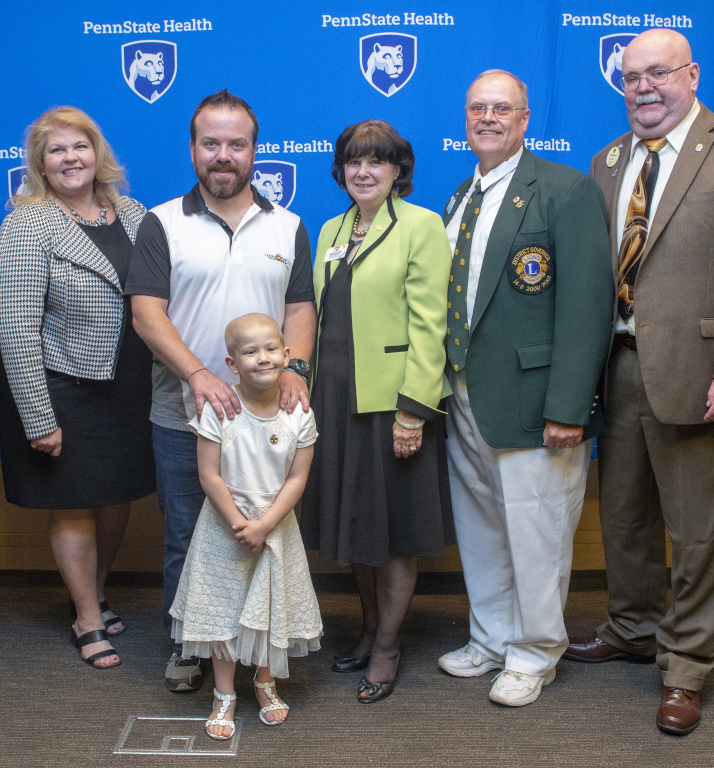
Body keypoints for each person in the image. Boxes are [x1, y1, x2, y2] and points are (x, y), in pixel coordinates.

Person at [565, 29, 714, 734]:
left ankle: (687, 663)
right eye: (630, 77)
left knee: (697, 531)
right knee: (626, 516)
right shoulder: (609, 160)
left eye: (658, 73)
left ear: (692, 75)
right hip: (620, 367)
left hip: (704, 376)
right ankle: (633, 628)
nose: (642, 87)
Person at [127, 89, 316, 692]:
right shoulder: (162, 222)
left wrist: (297, 370)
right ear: (192, 149)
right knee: (189, 533)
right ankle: (189, 649)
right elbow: (147, 314)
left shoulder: (288, 225)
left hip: (268, 418)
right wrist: (199, 374)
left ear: (255, 151)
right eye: (211, 143)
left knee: (267, 531)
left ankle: (258, 651)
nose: (223, 155)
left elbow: (301, 307)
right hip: (185, 412)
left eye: (237, 144)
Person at [436, 70, 615, 707]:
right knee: (482, 527)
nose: (487, 117)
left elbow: (588, 308)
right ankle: (490, 638)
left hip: (538, 405)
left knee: (538, 535)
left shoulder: (565, 191)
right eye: (476, 106)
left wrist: (569, 405)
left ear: (525, 118)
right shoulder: (461, 197)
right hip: (465, 397)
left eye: (501, 108)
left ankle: (536, 652)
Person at [0, 106, 155, 669]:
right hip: (63, 388)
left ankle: (98, 590)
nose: (70, 159)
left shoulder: (131, 214)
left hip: (128, 386)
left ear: (97, 152)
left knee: (115, 495)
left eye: (79, 147)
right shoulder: (26, 224)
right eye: (56, 150)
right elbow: (14, 329)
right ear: (40, 163)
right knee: (74, 504)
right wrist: (38, 417)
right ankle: (85, 616)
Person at [301, 119, 454, 703]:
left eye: (377, 162)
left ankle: (388, 647)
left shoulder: (421, 226)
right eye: (353, 162)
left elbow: (429, 325)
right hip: (337, 403)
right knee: (355, 525)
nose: (363, 172)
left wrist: (414, 411)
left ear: (398, 171)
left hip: (393, 405)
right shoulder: (331, 228)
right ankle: (367, 630)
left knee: (392, 536)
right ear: (340, 170)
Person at [170, 314, 322, 741]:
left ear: (287, 354)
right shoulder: (220, 410)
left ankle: (264, 682)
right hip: (225, 528)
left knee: (269, 611)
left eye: (271, 349)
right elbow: (209, 475)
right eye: (250, 352)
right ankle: (223, 694)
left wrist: (266, 524)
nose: (263, 358)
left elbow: (297, 478)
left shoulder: (299, 414)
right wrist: (240, 523)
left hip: (276, 530)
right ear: (232, 364)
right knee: (224, 613)